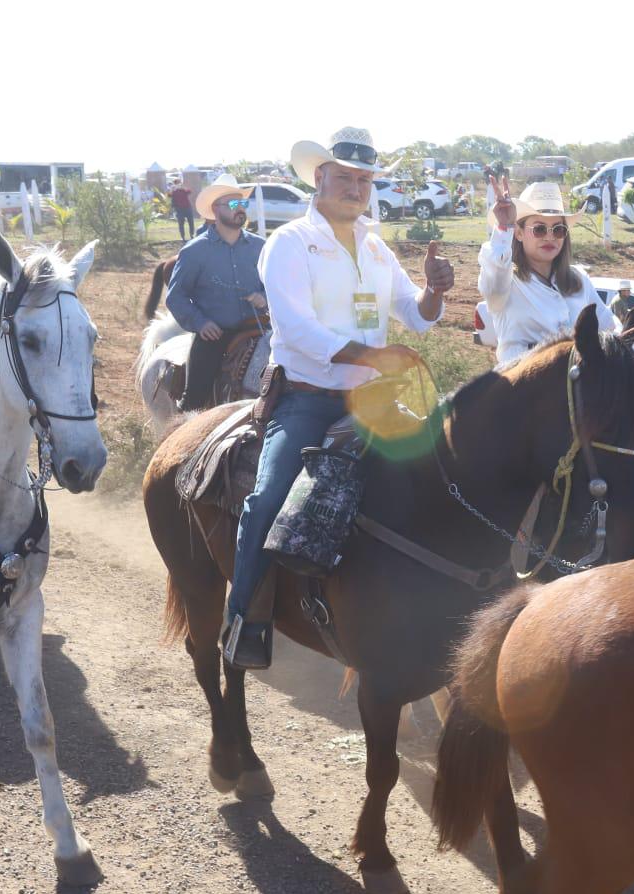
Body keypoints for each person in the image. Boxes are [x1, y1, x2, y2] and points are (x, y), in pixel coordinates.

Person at [221, 126, 454, 668]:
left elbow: (416, 316)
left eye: (364, 180)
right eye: (345, 177)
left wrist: (435, 291)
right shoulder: (289, 243)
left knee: (443, 478)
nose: (355, 188)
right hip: (308, 400)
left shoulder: (375, 247)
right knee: (268, 498)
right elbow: (297, 329)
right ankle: (243, 620)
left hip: (373, 402)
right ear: (319, 178)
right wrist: (373, 356)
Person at [477, 174, 616, 366]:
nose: (550, 237)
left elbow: (609, 325)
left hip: (575, 382)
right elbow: (493, 282)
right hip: (520, 381)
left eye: (558, 229)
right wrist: (503, 228)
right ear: (518, 233)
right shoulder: (507, 281)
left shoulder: (579, 279)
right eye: (539, 229)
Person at [163, 173, 267, 409]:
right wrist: (201, 323)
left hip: (259, 329)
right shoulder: (194, 252)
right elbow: (176, 297)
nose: (240, 208)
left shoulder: (261, 247)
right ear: (215, 209)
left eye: (242, 203)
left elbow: (276, 286)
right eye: (233, 203)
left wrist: (264, 297)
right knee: (195, 401)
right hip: (215, 336)